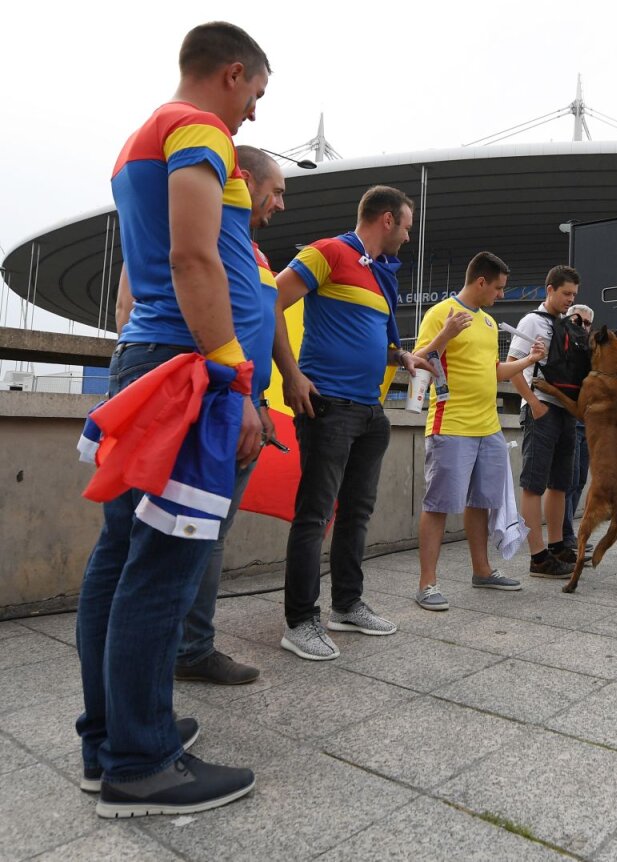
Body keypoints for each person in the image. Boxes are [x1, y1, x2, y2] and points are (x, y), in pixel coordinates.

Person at [75, 21, 270, 817]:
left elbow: (144, 268)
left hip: (151, 355)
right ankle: (143, 765)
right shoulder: (198, 130)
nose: (254, 113)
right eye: (257, 93)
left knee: (121, 560)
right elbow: (194, 257)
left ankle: (113, 739)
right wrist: (231, 369)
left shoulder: (138, 140)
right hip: (185, 367)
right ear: (232, 74)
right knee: (162, 565)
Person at [273, 186, 430, 659]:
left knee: (356, 514)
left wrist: (403, 355)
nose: (407, 234)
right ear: (386, 219)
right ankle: (300, 621)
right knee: (315, 514)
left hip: (368, 410)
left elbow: (368, 340)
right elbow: (271, 301)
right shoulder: (328, 253)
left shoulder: (381, 275)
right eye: (406, 225)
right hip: (329, 405)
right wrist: (291, 373)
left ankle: (347, 605)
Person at [173, 145, 286, 684]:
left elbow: (265, 324)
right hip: (218, 401)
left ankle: (191, 644)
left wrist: (263, 399)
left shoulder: (254, 255)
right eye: (278, 190)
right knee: (195, 532)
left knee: (212, 533)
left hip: (247, 403)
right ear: (248, 184)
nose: (280, 204)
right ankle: (188, 648)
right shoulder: (211, 233)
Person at [412, 252, 546, 611]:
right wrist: (445, 334)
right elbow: (418, 361)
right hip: (451, 424)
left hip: (488, 427)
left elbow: (495, 371)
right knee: (438, 504)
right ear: (481, 281)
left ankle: (482, 570)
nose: (501, 295)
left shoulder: (488, 323)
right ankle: (427, 583)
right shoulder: (440, 314)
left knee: (482, 501)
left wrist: (529, 361)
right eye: (499, 288)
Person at [507, 265, 582, 577]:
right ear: (549, 289)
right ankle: (538, 556)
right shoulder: (532, 322)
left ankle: (556, 545)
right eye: (565, 294)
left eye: (574, 295)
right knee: (534, 484)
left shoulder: (565, 324)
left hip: (565, 410)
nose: (570, 300)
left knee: (560, 484)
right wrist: (535, 404)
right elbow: (512, 366)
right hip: (541, 411)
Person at [560, 304, 594, 556]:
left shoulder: (592, 349)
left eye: (587, 322)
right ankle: (564, 536)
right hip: (569, 421)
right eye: (577, 320)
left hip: (588, 425)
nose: (582, 325)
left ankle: (568, 533)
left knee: (580, 480)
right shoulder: (561, 342)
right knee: (568, 481)